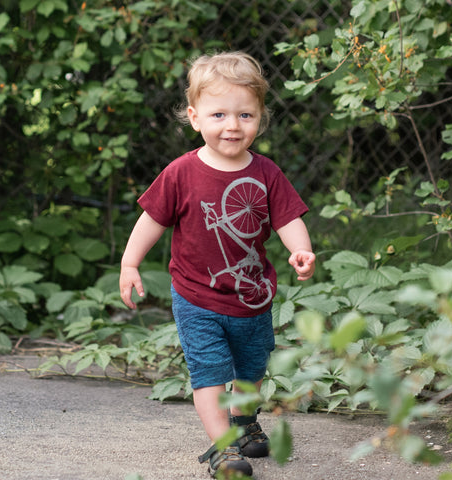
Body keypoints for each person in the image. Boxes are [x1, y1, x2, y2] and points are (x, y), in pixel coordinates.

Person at [119, 51, 316, 478]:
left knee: (251, 370)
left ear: (260, 119)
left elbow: (287, 219)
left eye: (245, 114)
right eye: (219, 114)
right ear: (195, 117)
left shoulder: (266, 173)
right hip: (196, 296)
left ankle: (244, 425)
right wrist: (130, 263)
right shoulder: (180, 172)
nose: (232, 125)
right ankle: (223, 448)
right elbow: (152, 218)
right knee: (208, 372)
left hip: (252, 298)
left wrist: (301, 250)